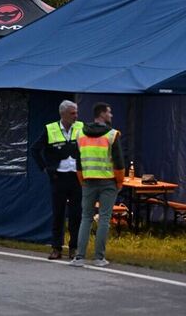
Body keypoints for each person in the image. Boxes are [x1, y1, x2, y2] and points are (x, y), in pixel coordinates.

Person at [71, 102, 125, 268]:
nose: (111, 115)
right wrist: (119, 182)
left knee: (86, 218)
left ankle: (79, 257)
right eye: (109, 112)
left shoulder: (80, 134)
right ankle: (99, 258)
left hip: (88, 181)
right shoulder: (112, 135)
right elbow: (119, 163)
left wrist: (82, 180)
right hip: (108, 182)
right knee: (104, 219)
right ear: (102, 114)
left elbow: (78, 163)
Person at [31, 100, 84, 260]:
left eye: (76, 112)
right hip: (58, 177)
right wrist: (45, 167)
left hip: (76, 177)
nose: (76, 116)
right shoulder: (51, 129)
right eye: (72, 113)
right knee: (58, 213)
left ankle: (74, 247)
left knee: (76, 214)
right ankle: (56, 247)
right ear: (63, 114)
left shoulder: (81, 127)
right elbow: (35, 149)